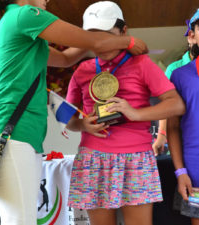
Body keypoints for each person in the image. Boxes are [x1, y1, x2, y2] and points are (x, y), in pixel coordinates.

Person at [0, 0, 148, 224]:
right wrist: (127, 40)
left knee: (22, 218)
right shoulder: (26, 15)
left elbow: (67, 58)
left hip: (18, 134)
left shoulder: (15, 22)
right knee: (20, 220)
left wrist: (99, 39)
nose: (47, 0)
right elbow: (91, 41)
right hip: (13, 133)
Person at [66, 2, 186, 225]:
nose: (101, 43)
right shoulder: (82, 70)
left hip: (137, 159)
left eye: (107, 35)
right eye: (93, 37)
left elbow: (176, 104)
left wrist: (135, 113)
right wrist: (82, 125)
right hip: (93, 159)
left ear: (124, 32)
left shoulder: (142, 64)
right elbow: (65, 117)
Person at [167, 9, 199, 225]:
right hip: (195, 170)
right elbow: (173, 127)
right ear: (192, 34)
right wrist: (180, 171)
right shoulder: (180, 75)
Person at [152, 20, 194, 156]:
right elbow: (167, 104)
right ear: (190, 37)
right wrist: (161, 135)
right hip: (184, 136)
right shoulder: (175, 68)